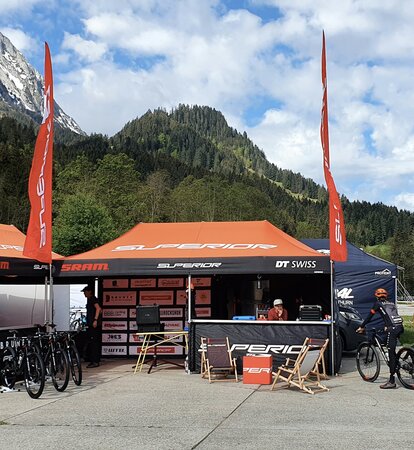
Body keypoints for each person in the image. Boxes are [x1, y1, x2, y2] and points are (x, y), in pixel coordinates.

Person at [356, 288, 404, 389]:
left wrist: (362, 326)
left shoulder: (377, 304)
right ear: (386, 296)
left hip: (392, 329)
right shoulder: (391, 303)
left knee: (390, 353)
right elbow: (391, 316)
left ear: (376, 296)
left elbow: (369, 317)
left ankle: (392, 381)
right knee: (390, 346)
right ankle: (396, 362)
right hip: (399, 327)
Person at [82, 285, 102, 368]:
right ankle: (93, 359)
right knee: (92, 342)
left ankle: (95, 361)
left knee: (94, 343)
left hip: (94, 325)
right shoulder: (90, 299)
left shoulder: (93, 299)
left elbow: (98, 309)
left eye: (85, 292)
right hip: (91, 324)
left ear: (89, 291)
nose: (84, 294)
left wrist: (95, 320)